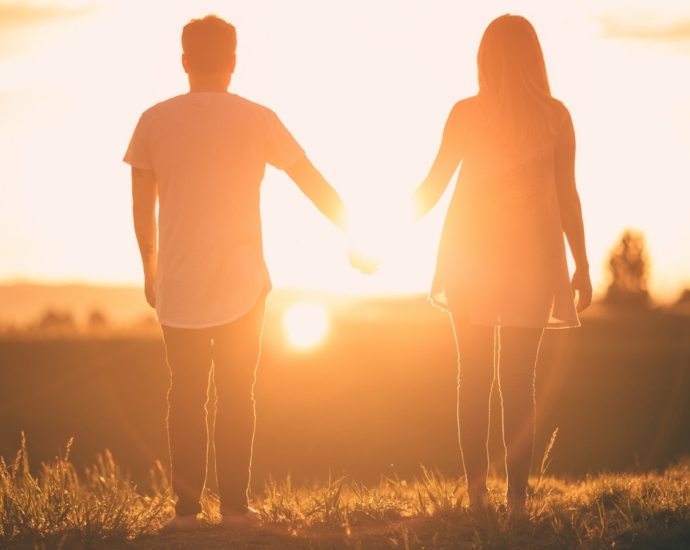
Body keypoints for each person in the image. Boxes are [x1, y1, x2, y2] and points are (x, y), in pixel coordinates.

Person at [124, 15, 355, 531]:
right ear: (233, 62)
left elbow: (143, 208)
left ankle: (185, 514)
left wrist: (149, 268)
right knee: (236, 393)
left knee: (183, 395)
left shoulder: (153, 120)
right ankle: (234, 510)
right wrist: (355, 233)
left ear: (184, 62)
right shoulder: (258, 117)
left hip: (178, 283)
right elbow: (309, 179)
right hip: (243, 284)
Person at [411, 14, 592, 514]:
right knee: (519, 382)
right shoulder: (556, 115)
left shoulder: (467, 113)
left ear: (484, 58)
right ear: (535, 57)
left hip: (469, 258)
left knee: (472, 377)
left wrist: (380, 237)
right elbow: (568, 197)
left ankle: (477, 497)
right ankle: (515, 503)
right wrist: (582, 264)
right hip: (532, 261)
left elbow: (433, 185)